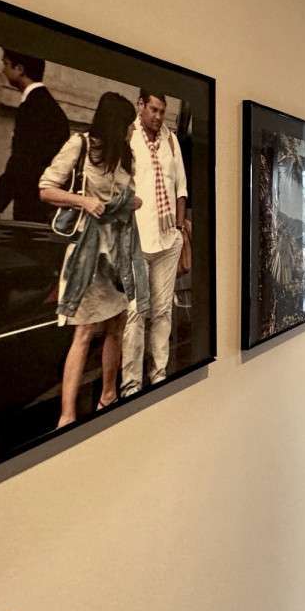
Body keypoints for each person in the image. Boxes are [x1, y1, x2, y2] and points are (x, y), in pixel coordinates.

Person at [40, 92, 147, 428]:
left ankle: (108, 396)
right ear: (116, 124)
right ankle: (67, 415)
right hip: (87, 252)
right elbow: (46, 188)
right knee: (84, 331)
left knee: (116, 325)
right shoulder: (81, 145)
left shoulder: (125, 156)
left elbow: (126, 196)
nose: (132, 130)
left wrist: (131, 202)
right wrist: (83, 201)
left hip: (117, 252)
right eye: (128, 124)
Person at [121, 89, 188, 397]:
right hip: (137, 240)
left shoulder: (171, 140)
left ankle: (158, 374)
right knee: (136, 313)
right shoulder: (129, 136)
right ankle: (131, 385)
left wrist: (178, 229)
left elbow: (181, 188)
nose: (159, 116)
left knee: (162, 312)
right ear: (141, 106)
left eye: (163, 111)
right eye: (154, 110)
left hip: (167, 240)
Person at [0, 49, 70, 223]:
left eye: (6, 64)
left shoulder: (33, 107)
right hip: (48, 206)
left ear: (20, 69)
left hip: (32, 205)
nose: (2, 70)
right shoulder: (50, 106)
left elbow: (22, 161)